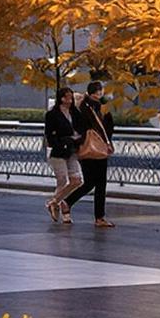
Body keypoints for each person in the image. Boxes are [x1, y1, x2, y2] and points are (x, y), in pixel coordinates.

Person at [63, 80, 116, 227]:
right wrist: (108, 142)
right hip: (95, 147)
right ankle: (99, 217)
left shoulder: (82, 106)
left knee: (90, 182)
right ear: (98, 92)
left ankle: (67, 203)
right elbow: (104, 127)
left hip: (85, 148)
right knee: (99, 183)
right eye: (101, 91)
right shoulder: (93, 107)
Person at [43, 86, 83, 225]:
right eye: (67, 97)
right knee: (62, 180)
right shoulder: (52, 114)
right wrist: (61, 142)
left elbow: (81, 125)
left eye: (71, 97)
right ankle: (60, 208)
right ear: (61, 98)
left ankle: (54, 201)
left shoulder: (74, 112)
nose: (70, 100)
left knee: (76, 180)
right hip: (59, 151)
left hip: (72, 149)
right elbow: (49, 134)